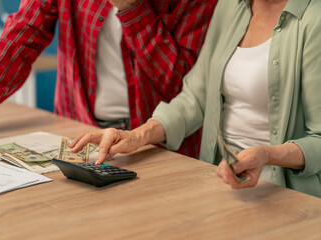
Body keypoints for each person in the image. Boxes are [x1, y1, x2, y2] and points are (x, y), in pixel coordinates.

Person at [69, 0, 321, 197]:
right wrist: (137, 136)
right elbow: (195, 97)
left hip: (283, 191)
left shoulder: (315, 18)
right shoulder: (231, 5)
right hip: (216, 177)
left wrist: (267, 155)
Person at [0, 0, 217, 158]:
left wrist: (132, 8)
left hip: (159, 146)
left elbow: (186, 91)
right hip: (79, 133)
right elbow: (22, 36)